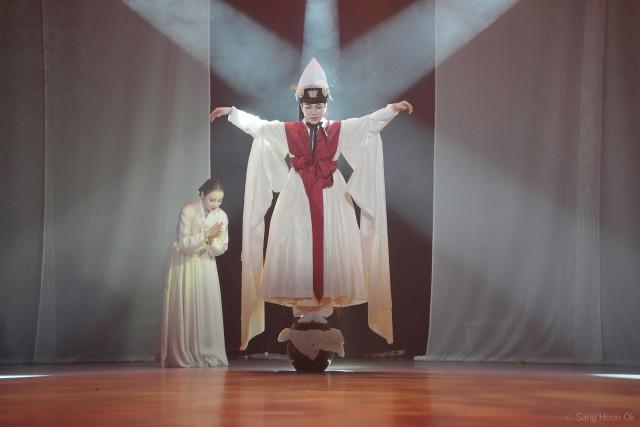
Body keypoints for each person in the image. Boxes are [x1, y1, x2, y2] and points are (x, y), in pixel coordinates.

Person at [210, 58, 413, 350]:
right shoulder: (290, 130)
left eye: (318, 106)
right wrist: (233, 113)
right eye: (308, 107)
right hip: (297, 197)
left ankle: (322, 311)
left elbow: (367, 124)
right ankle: (304, 310)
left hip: (331, 196)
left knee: (332, 245)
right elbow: (261, 128)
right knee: (299, 245)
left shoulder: (340, 129)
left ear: (326, 105)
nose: (314, 111)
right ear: (301, 106)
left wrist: (391, 109)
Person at [160, 178, 229, 367]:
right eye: (212, 200)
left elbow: (222, 247)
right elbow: (184, 244)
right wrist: (206, 235)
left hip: (206, 262)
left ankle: (206, 350)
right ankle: (185, 351)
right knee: (187, 302)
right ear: (202, 195)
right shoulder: (188, 211)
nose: (215, 204)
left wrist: (211, 241)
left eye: (219, 200)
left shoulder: (221, 216)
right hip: (185, 263)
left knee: (206, 304)